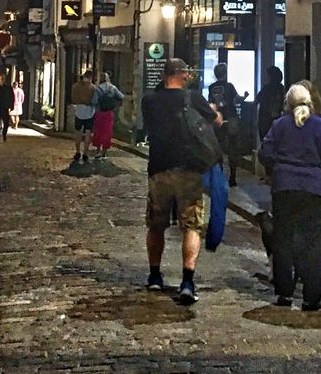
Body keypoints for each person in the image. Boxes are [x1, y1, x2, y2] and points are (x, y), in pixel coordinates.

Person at [141, 58, 223, 305]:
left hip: (159, 167)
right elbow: (216, 120)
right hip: (188, 168)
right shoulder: (193, 98)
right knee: (191, 225)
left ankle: (155, 275)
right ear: (182, 74)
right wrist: (213, 109)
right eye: (187, 73)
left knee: (156, 224)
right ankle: (187, 281)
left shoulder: (149, 101)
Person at [259, 83, 321, 311]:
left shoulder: (279, 125)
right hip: (314, 189)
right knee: (313, 242)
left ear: (288, 103)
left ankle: (285, 293)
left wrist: (277, 168)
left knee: (283, 239)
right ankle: (311, 297)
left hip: (284, 188)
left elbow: (265, 152)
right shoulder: (320, 126)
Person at [206, 63, 242, 186]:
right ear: (226, 73)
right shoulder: (229, 86)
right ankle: (232, 177)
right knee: (233, 148)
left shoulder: (211, 87)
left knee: (218, 147)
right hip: (231, 118)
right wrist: (245, 96)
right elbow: (237, 99)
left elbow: (210, 104)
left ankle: (219, 174)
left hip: (217, 119)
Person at [91, 72, 124, 158]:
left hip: (99, 113)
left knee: (98, 132)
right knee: (107, 132)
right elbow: (121, 96)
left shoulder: (98, 89)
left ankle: (98, 150)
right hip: (109, 113)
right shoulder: (113, 88)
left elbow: (94, 101)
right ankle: (104, 151)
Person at [70, 69, 96, 163]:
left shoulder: (76, 86)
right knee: (88, 133)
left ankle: (77, 152)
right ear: (91, 77)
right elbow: (94, 101)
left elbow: (73, 98)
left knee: (78, 132)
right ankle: (85, 153)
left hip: (79, 111)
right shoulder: (93, 88)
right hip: (90, 112)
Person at [255, 66, 285, 142]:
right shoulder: (282, 89)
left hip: (265, 120)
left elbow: (256, 101)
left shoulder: (266, 89)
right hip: (278, 119)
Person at [0, 72, 14, 143]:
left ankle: (4, 134)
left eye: (2, 78)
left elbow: (12, 98)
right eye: (0, 78)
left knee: (6, 123)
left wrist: (10, 107)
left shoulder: (9, 88)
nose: (1, 80)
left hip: (5, 108)